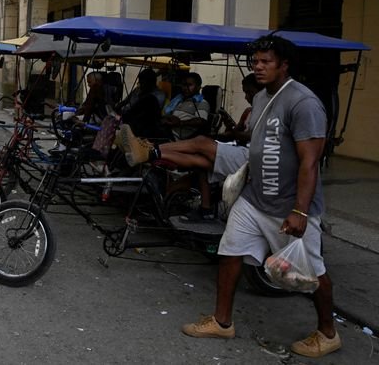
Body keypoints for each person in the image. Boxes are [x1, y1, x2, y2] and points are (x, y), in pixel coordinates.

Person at [117, 35, 339, 358]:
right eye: (256, 61)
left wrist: (300, 211)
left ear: (285, 65)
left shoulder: (303, 103)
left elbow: (310, 162)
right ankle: (223, 322)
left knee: (312, 272)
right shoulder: (263, 97)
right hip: (255, 197)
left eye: (266, 62)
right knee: (230, 252)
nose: (258, 67)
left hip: (287, 205)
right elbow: (260, 139)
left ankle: (328, 332)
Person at [117, 68, 165, 139]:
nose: (140, 84)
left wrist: (124, 117)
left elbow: (145, 114)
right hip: (127, 118)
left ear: (149, 82)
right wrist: (117, 108)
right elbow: (125, 101)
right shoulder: (138, 90)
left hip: (142, 127)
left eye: (142, 82)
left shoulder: (155, 96)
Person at [162, 72, 210, 140]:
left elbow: (201, 121)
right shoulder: (179, 100)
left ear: (198, 87)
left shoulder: (201, 102)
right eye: (184, 85)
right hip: (167, 130)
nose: (185, 88)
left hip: (178, 137)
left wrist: (180, 123)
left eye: (189, 85)